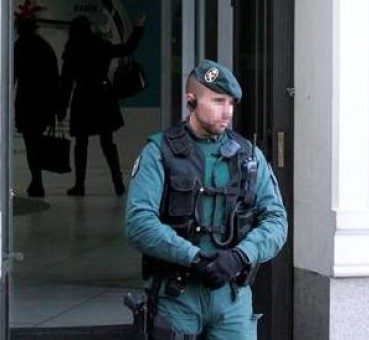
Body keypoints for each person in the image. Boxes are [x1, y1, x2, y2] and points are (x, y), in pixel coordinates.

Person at [124, 59, 287, 339]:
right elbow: (138, 223)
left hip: (232, 297)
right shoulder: (159, 152)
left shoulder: (249, 156)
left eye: (231, 103)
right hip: (177, 295)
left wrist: (240, 256)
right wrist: (194, 258)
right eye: (217, 101)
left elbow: (277, 220)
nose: (227, 113)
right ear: (191, 101)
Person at [60, 14, 145, 196]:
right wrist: (138, 28)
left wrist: (61, 107)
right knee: (107, 142)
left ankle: (79, 184)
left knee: (81, 144)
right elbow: (127, 48)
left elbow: (66, 82)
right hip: (103, 97)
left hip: (82, 98)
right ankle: (117, 182)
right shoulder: (102, 47)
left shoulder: (72, 52)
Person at [13, 15, 63, 197]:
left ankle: (36, 180)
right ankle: (37, 180)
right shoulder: (44, 47)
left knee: (30, 143)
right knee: (37, 142)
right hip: (44, 103)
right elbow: (54, 78)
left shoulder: (19, 47)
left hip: (26, 101)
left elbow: (12, 76)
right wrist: (58, 106)